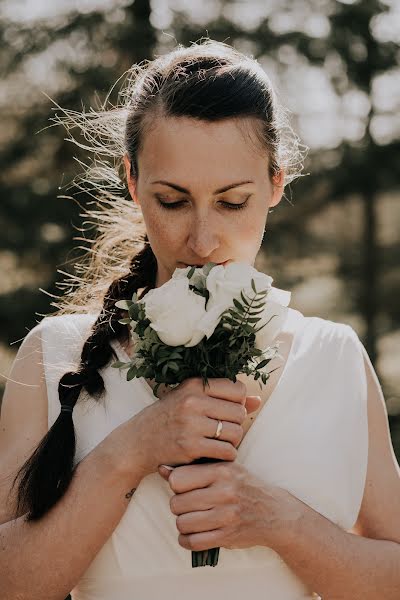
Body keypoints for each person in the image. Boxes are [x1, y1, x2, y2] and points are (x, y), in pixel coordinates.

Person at [1, 38, 399, 600]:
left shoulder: (334, 358)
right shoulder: (53, 356)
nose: (203, 240)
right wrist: (129, 451)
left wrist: (282, 522)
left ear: (276, 184)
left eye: (232, 201)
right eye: (172, 200)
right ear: (133, 182)